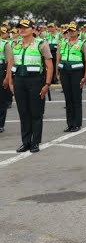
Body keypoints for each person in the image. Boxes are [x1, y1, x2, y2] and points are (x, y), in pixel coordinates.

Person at [9, 20, 54, 153]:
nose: (21, 30)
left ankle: (35, 142)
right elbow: (12, 64)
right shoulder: (15, 44)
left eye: (25, 27)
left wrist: (47, 84)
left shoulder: (41, 44)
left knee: (36, 113)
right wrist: (11, 82)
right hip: (19, 81)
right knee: (23, 113)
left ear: (33, 29)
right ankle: (26, 142)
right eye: (19, 28)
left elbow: (49, 66)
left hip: (36, 81)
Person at [56, 22, 86, 133]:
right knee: (68, 98)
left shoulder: (82, 43)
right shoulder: (62, 42)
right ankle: (70, 123)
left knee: (76, 98)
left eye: (73, 30)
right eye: (69, 30)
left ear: (78, 32)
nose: (71, 32)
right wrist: (57, 72)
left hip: (76, 73)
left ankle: (77, 123)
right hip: (64, 72)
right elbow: (58, 57)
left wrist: (85, 76)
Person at [0, 26, 15, 133]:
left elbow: (10, 61)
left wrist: (7, 77)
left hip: (1, 71)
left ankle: (0, 124)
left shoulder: (5, 44)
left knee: (1, 99)